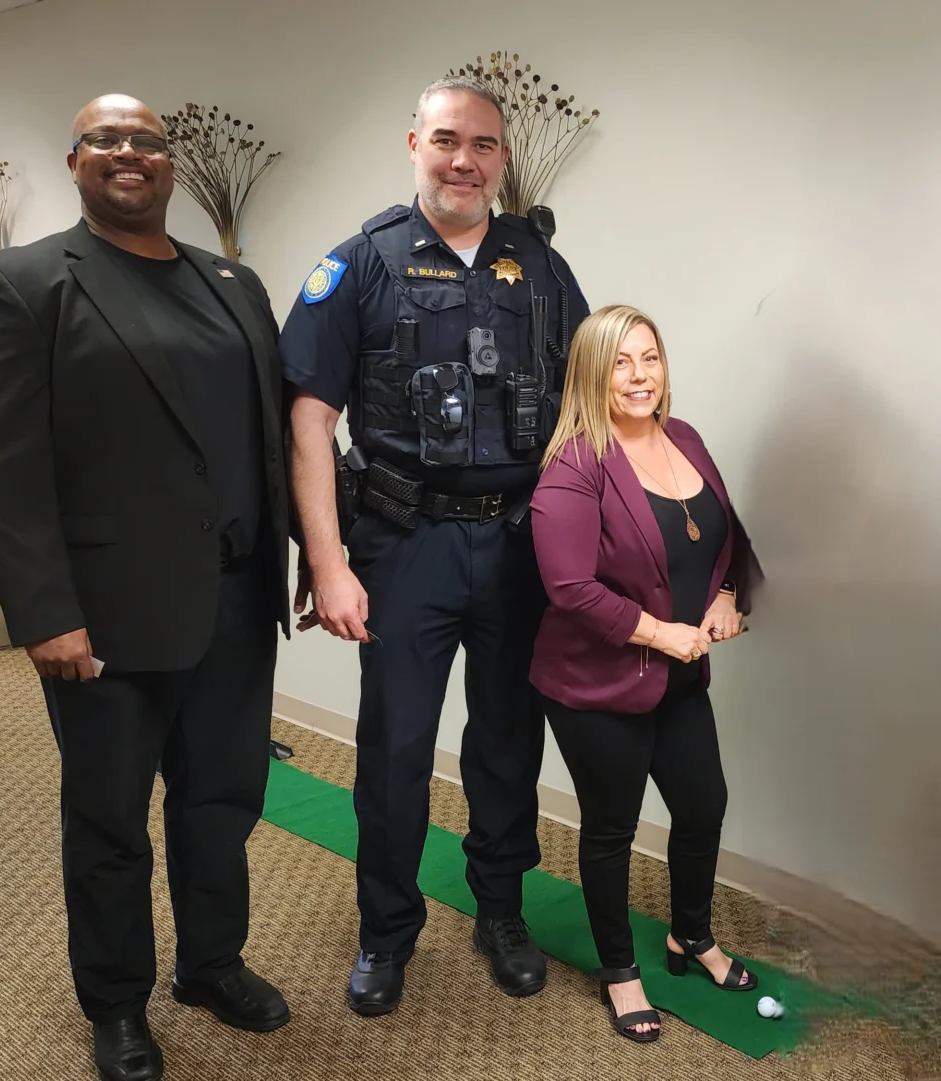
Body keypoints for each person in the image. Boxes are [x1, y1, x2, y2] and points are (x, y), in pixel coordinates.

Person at [0, 94, 294, 1081]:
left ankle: (211, 963)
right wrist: (45, 610)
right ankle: (116, 1003)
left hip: (235, 597)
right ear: (75, 161)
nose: (129, 152)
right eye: (106, 140)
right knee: (109, 820)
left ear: (169, 162)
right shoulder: (23, 283)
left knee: (222, 798)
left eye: (146, 139)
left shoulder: (232, 282)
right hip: (106, 614)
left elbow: (268, 437)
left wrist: (316, 553)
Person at [280, 76, 588, 1016]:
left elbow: (585, 405)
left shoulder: (541, 266)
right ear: (413, 143)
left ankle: (501, 910)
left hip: (517, 544)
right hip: (403, 541)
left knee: (507, 743)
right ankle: (386, 930)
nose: (464, 161)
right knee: (396, 748)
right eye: (447, 140)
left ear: (502, 159)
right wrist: (328, 562)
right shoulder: (359, 264)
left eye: (483, 145)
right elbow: (307, 420)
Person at [528, 305, 763, 1042]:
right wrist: (662, 633)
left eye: (649, 358)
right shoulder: (575, 464)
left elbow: (721, 536)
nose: (639, 376)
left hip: (677, 677)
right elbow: (569, 587)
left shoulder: (683, 436)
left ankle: (690, 934)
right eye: (620, 362)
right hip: (598, 686)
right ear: (592, 375)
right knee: (612, 829)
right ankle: (621, 970)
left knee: (703, 807)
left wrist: (727, 594)